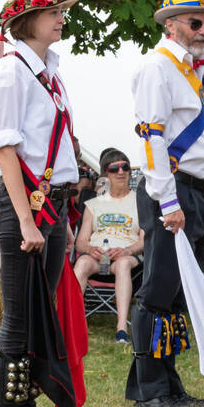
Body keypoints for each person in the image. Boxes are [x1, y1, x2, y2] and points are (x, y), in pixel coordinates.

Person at [0, 0, 83, 407]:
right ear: (27, 22)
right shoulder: (11, 72)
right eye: (54, 11)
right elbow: (4, 150)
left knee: (39, 322)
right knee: (18, 326)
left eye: (62, 10)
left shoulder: (47, 70)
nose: (62, 17)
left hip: (53, 204)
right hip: (26, 205)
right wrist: (26, 222)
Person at [126, 0, 204, 407]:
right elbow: (153, 139)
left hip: (198, 194)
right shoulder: (158, 68)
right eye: (196, 22)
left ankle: (166, 383)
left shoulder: (196, 72)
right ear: (171, 25)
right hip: (172, 193)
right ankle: (151, 388)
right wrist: (168, 203)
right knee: (157, 290)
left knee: (176, 293)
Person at [74, 147, 144, 342]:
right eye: (115, 169)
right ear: (106, 174)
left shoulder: (140, 202)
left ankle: (121, 328)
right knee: (82, 264)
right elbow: (80, 241)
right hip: (97, 257)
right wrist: (89, 249)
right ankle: (72, 325)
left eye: (125, 167)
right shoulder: (94, 204)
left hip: (127, 258)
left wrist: (127, 250)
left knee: (122, 264)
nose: (121, 172)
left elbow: (144, 239)